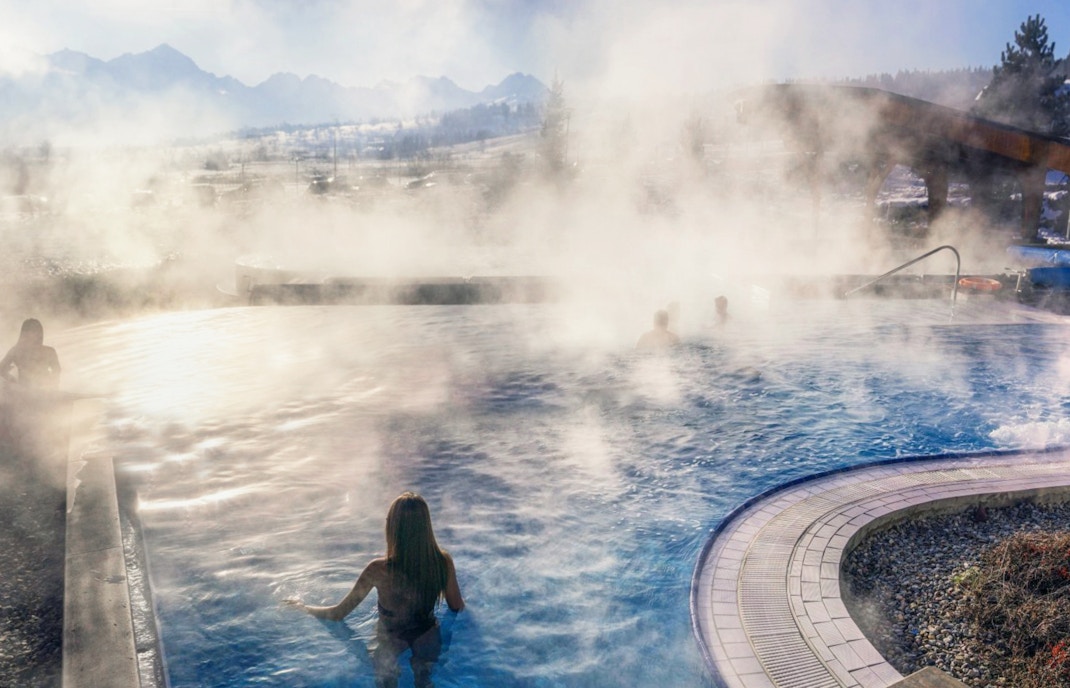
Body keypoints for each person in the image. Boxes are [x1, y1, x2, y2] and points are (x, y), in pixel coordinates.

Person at [287, 492, 464, 688]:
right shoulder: (442, 562)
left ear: (393, 528)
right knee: (424, 679)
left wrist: (304, 607)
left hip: (390, 637)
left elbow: (338, 614)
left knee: (386, 678)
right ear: (426, 527)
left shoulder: (378, 570)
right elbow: (456, 606)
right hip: (427, 636)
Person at [0, 319, 61, 389]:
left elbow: (57, 371)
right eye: (32, 331)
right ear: (24, 333)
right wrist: (11, 380)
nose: (37, 334)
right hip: (25, 391)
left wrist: (53, 385)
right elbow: (1, 369)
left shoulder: (49, 351)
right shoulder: (16, 351)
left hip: (45, 390)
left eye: (38, 331)